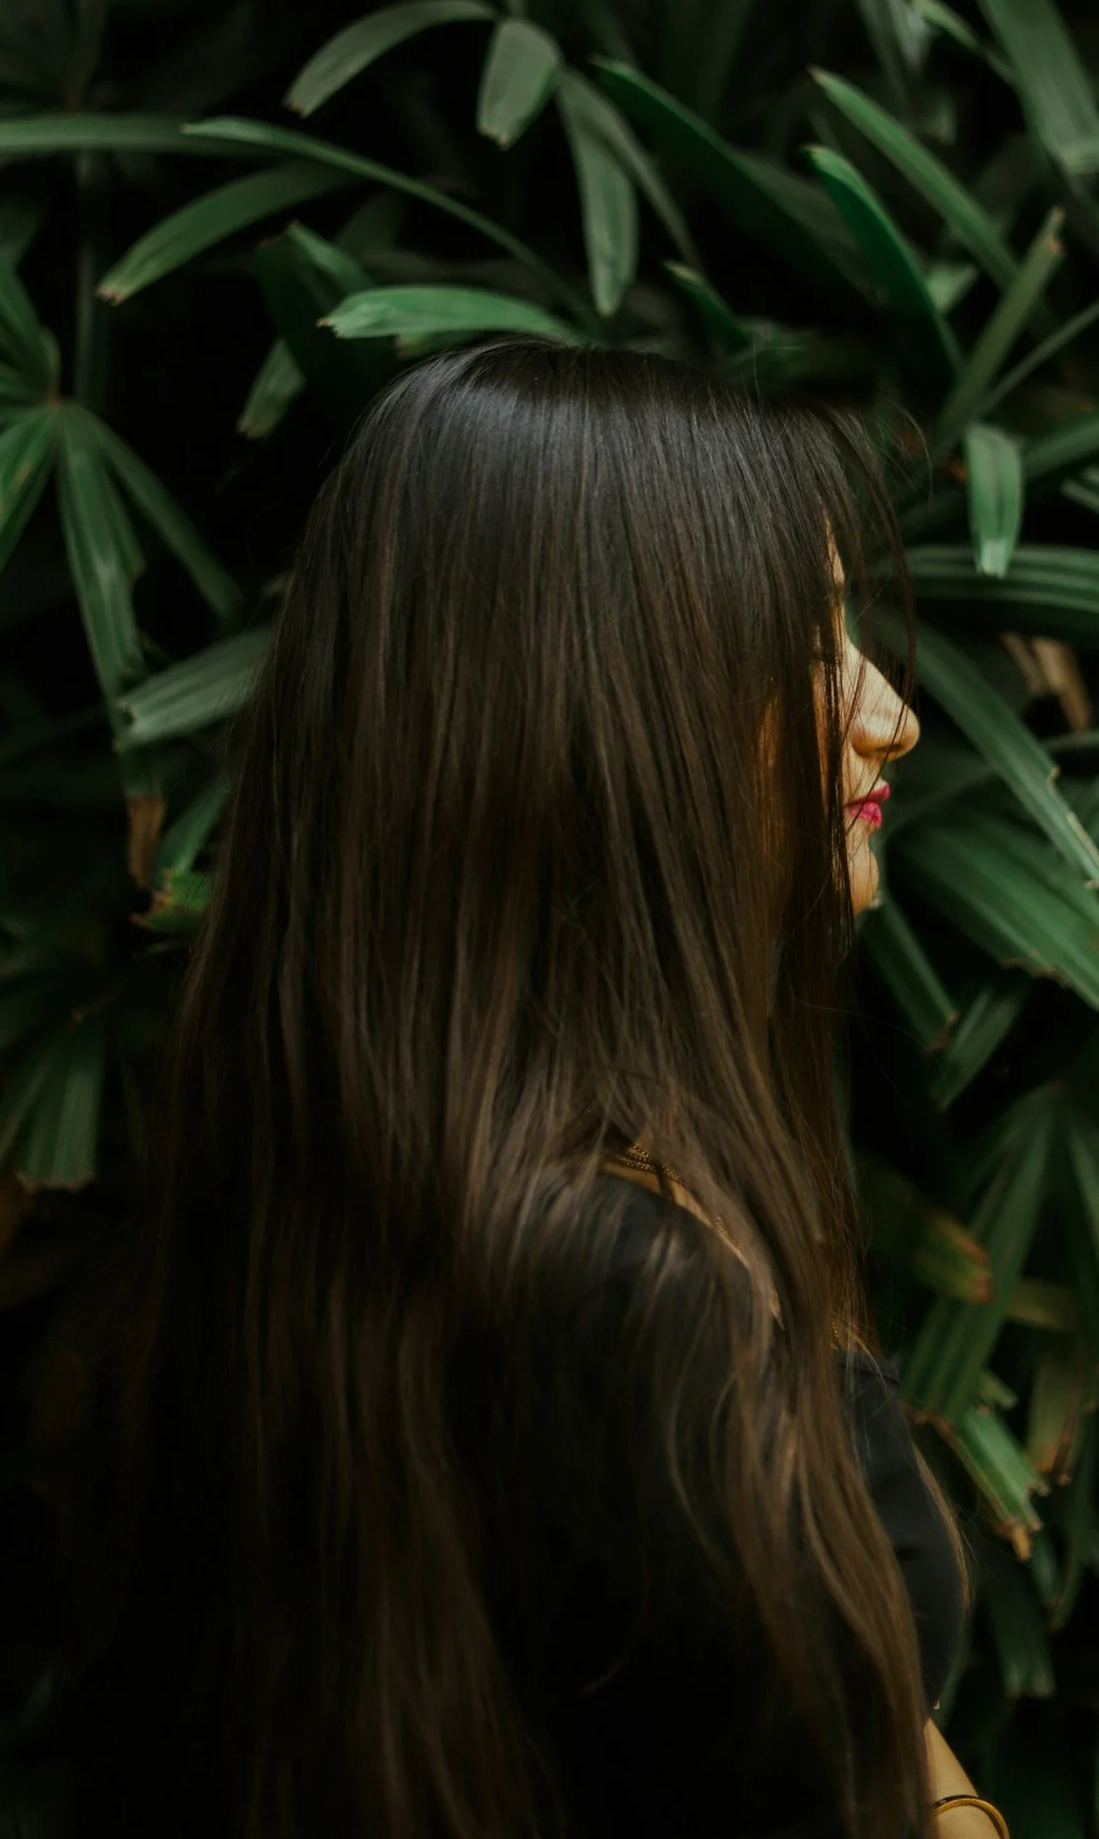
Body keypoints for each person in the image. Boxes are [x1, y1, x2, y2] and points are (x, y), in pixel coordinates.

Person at [53, 339, 1004, 1839]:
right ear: (607, 704)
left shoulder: (349, 1196)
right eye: (810, 643)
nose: (888, 714)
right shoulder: (632, 1295)